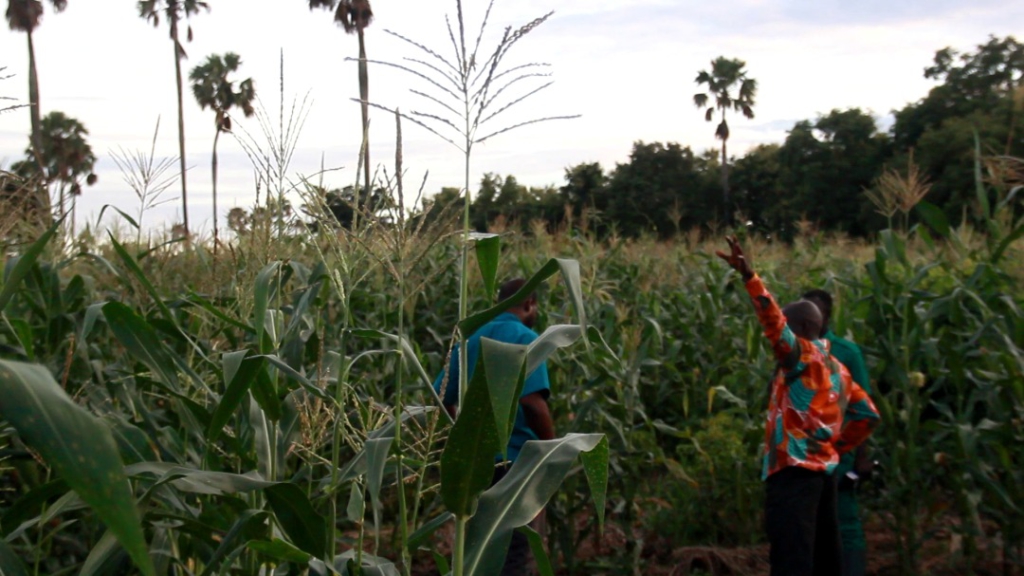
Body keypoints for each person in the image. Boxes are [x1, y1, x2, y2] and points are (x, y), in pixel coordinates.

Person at [716, 236, 880, 576]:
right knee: (823, 558)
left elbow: (772, 321)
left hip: (791, 474)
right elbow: (867, 416)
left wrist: (749, 276)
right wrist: (834, 448)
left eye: (790, 326)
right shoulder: (840, 370)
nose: (782, 336)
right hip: (823, 477)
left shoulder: (801, 356)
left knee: (792, 558)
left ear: (804, 328)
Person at [432, 278, 555, 576]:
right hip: (514, 462)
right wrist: (551, 450)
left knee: (477, 551)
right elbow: (531, 403)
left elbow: (439, 396)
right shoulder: (525, 338)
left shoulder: (470, 340)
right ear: (529, 304)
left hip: (472, 466)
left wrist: (461, 434)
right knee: (512, 552)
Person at [802, 289, 873, 576]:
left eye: (816, 314)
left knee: (844, 520)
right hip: (801, 452)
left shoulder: (845, 352)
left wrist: (859, 457)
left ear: (827, 317)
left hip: (836, 451)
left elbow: (863, 408)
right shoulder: (793, 351)